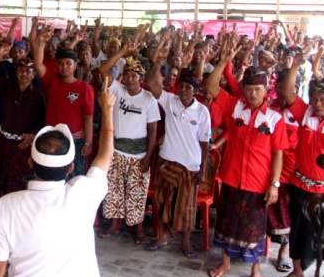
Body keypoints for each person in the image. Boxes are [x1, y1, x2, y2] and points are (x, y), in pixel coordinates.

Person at [0, 76, 117, 277]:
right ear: (69, 169)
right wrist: (107, 111)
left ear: (31, 162)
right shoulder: (82, 194)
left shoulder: (6, 205)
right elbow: (105, 155)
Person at [205, 37, 288, 277]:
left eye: (258, 89)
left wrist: (274, 185)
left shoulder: (274, 118)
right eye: (249, 88)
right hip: (231, 177)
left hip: (258, 182)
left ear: (266, 92)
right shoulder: (235, 107)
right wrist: (223, 61)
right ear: (244, 89)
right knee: (227, 221)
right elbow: (211, 87)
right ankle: (225, 262)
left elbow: (278, 154)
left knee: (255, 228)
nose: (252, 93)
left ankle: (256, 269)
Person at [275, 52, 324, 277]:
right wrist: (294, 65)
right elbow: (287, 92)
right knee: (299, 233)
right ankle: (297, 272)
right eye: (314, 98)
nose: (317, 103)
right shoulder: (305, 114)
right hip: (301, 187)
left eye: (323, 99)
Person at [143, 38, 211, 260]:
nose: (183, 90)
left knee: (187, 206)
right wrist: (159, 60)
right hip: (168, 160)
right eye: (181, 86)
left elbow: (204, 142)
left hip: (190, 165)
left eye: (188, 87)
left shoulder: (202, 112)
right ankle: (162, 237)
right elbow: (153, 84)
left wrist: (201, 169)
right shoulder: (170, 100)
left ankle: (185, 241)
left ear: (195, 90)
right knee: (163, 202)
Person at [97, 43, 159, 245]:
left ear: (141, 79)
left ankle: (138, 228)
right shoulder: (117, 89)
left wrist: (148, 157)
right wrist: (123, 52)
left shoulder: (149, 99)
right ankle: (115, 224)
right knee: (114, 189)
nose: (131, 79)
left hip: (139, 154)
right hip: (115, 151)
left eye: (135, 76)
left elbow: (152, 131)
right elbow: (103, 70)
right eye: (128, 75)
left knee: (136, 192)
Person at [0, 42, 46, 196]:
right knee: (0, 173)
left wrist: (33, 135)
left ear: (33, 75)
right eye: (20, 70)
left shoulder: (38, 96)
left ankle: (20, 208)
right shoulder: (7, 87)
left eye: (28, 71)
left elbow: (42, 119)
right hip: (4, 141)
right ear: (16, 72)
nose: (24, 74)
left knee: (22, 177)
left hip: (23, 144)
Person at [33, 26, 94, 178]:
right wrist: (41, 43)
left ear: (75, 65)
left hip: (75, 141)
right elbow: (38, 65)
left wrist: (88, 143)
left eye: (68, 63)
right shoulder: (52, 81)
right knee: (51, 178)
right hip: (51, 141)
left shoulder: (85, 88)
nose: (64, 66)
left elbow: (88, 117)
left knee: (74, 178)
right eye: (60, 63)